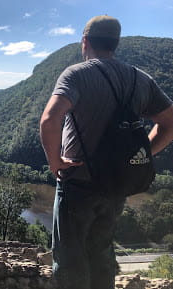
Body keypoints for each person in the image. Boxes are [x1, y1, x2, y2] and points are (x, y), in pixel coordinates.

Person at [39, 15, 173, 289]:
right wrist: (144, 154)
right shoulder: (140, 79)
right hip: (116, 184)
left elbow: (49, 120)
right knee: (101, 253)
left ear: (85, 41)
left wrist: (55, 162)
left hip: (77, 182)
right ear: (115, 44)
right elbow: (169, 123)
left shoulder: (76, 74)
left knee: (69, 259)